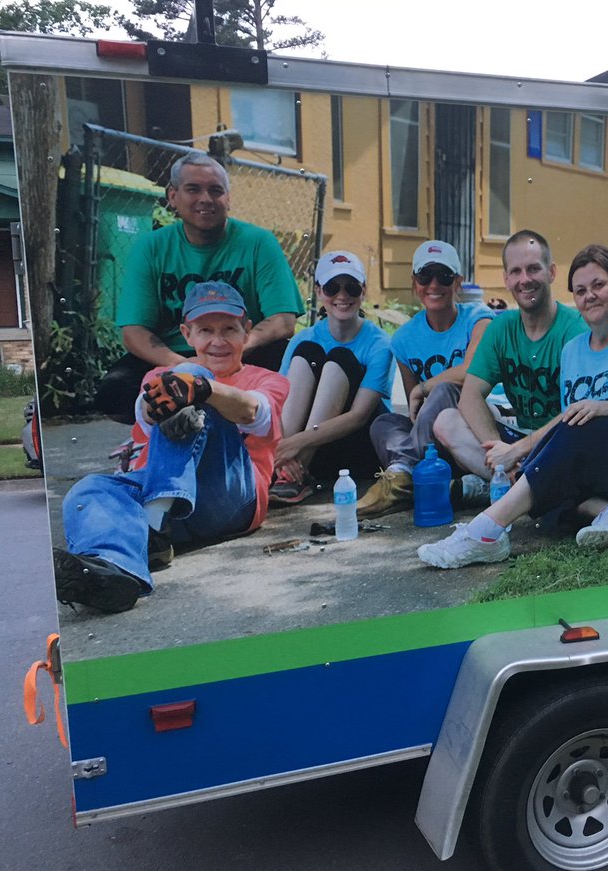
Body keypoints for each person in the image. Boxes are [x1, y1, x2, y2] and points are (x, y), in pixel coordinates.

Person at [418, 244, 608, 568]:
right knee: (553, 464)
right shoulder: (573, 351)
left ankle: (485, 531)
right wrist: (527, 450)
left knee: (577, 434)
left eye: (599, 285)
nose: (590, 296)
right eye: (581, 291)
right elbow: (569, 421)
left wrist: (606, 408)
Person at [53, 281, 289, 613]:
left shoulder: (270, 380)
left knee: (192, 379)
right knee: (87, 490)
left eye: (229, 330)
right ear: (186, 333)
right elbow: (146, 410)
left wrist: (199, 387)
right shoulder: (161, 373)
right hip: (165, 497)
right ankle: (110, 571)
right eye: (205, 330)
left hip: (232, 500)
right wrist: (174, 398)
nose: (217, 341)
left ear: (246, 332)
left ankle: (151, 526)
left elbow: (252, 410)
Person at [94, 151, 305, 424]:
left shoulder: (258, 242)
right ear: (173, 196)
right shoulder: (151, 247)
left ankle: (262, 431)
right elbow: (133, 331)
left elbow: (283, 321)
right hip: (175, 353)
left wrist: (231, 350)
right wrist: (185, 365)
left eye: (216, 191)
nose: (206, 199)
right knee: (115, 390)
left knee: (294, 366)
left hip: (242, 348)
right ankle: (170, 431)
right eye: (193, 189)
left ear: (228, 199)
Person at [431, 229, 587, 487]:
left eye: (534, 269)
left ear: (552, 272)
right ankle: (513, 481)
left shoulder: (574, 330)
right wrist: (500, 451)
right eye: (516, 271)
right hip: (517, 439)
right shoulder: (501, 328)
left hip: (561, 439)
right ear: (506, 279)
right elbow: (470, 397)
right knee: (446, 422)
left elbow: (577, 413)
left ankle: (510, 487)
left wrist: (519, 449)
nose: (525, 279)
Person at [356, 240, 496, 517]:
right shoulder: (404, 338)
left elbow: (471, 371)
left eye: (443, 276)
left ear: (458, 282)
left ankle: (402, 475)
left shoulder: (480, 319)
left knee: (444, 390)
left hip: (474, 428)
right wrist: (421, 394)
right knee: (382, 422)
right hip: (432, 442)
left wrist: (424, 387)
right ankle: (418, 479)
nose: (434, 284)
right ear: (414, 282)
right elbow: (414, 409)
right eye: (425, 276)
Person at [269, 250, 393, 504]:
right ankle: (284, 472)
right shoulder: (305, 339)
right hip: (312, 451)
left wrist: (295, 444)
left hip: (358, 445)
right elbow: (278, 400)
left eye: (351, 288)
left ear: (364, 290)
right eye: (332, 287)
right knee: (307, 354)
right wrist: (282, 447)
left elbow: (359, 416)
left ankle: (293, 473)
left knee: (341, 358)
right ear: (318, 291)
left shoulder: (380, 342)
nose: (342, 296)